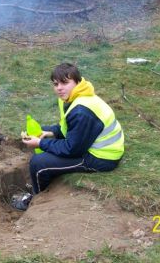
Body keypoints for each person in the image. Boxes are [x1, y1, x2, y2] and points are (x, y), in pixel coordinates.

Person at [14, 62, 124, 210]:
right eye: (55, 84)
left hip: (102, 158)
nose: (59, 88)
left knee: (38, 163)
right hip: (88, 144)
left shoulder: (82, 111)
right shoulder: (74, 97)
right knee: (44, 133)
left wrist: (40, 143)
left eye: (64, 83)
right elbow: (68, 128)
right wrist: (49, 133)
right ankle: (49, 177)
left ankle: (36, 199)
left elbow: (72, 149)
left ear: (77, 81)